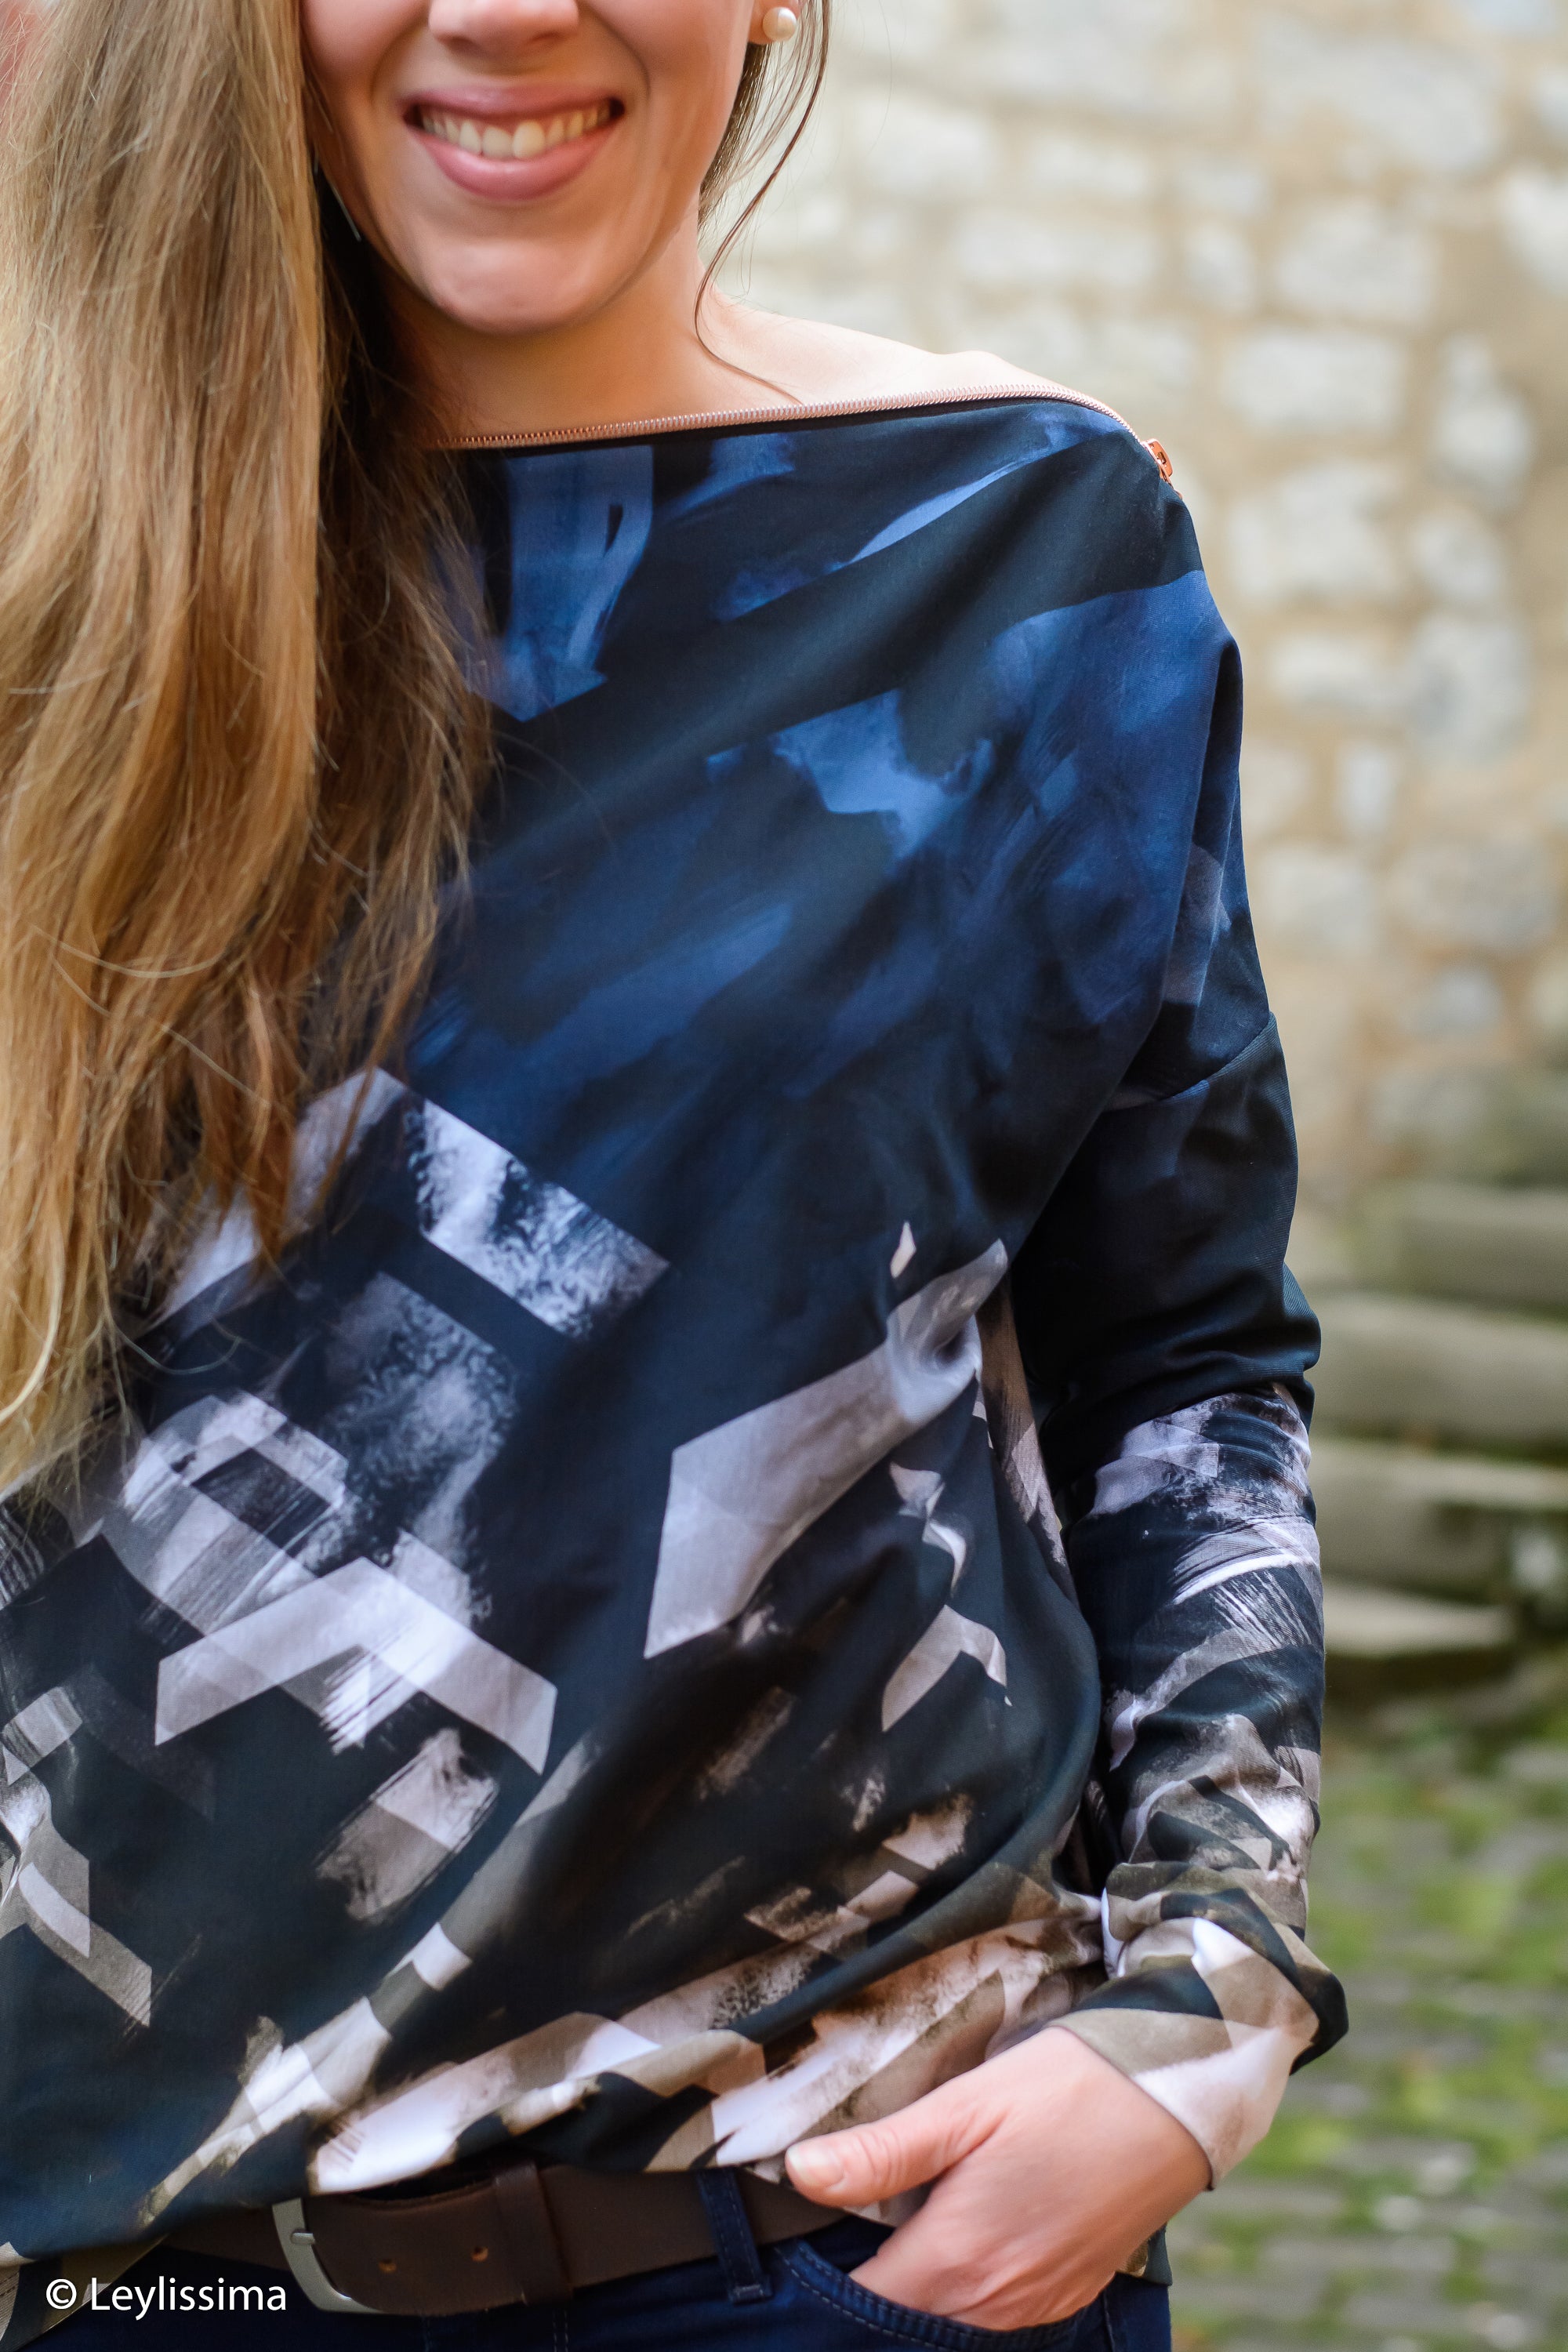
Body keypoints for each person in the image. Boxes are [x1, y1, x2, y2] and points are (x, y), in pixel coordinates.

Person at [0, 1, 1346, 2346]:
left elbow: (1182, 1360)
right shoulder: (37, 557)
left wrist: (1210, 1994)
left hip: (821, 2254)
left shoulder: (1019, 548)